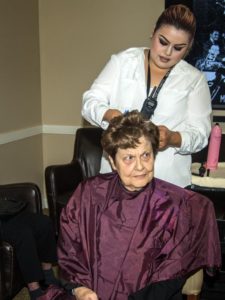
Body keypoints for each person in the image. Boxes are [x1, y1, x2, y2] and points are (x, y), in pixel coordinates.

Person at [39, 111, 221, 300]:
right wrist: (79, 288)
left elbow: (172, 272)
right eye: (129, 158)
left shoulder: (177, 206)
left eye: (145, 155)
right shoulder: (89, 194)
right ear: (112, 161)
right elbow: (70, 248)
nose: (140, 166)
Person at [82, 4, 212, 188]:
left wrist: (172, 138)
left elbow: (200, 135)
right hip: (117, 178)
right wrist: (110, 116)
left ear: (189, 47)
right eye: (163, 42)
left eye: (178, 48)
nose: (167, 53)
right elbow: (89, 102)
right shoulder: (122, 62)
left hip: (168, 184)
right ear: (153, 32)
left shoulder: (195, 80)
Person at [0, 210, 59, 300]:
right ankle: (35, 290)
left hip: (5, 211)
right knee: (23, 233)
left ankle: (48, 276)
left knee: (44, 222)